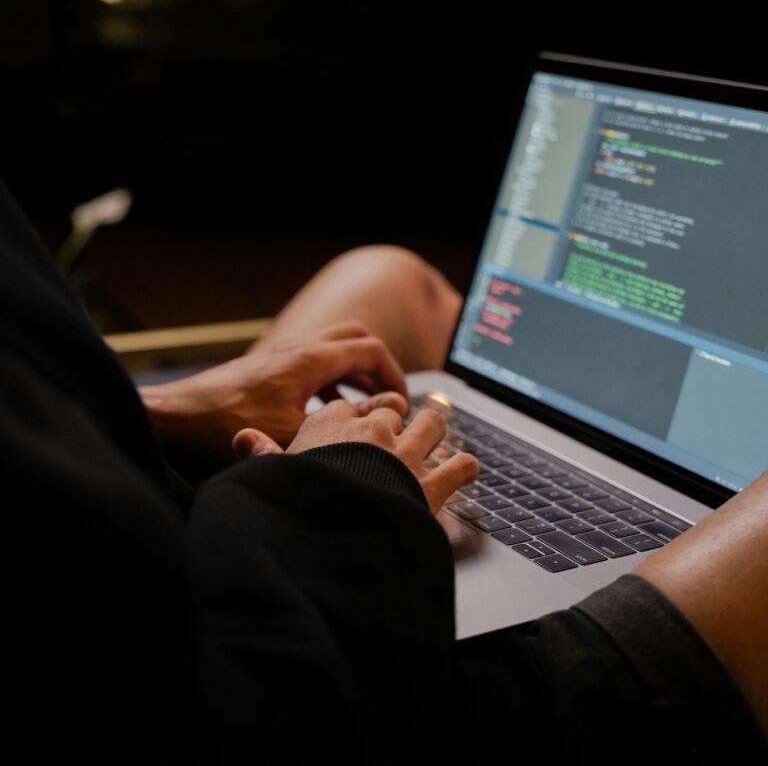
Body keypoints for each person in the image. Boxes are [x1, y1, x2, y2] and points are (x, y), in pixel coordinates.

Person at [1, 177, 765, 763]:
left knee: (387, 276)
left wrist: (156, 412)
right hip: (339, 706)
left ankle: (582, 432)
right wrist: (337, 486)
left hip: (205, 552)